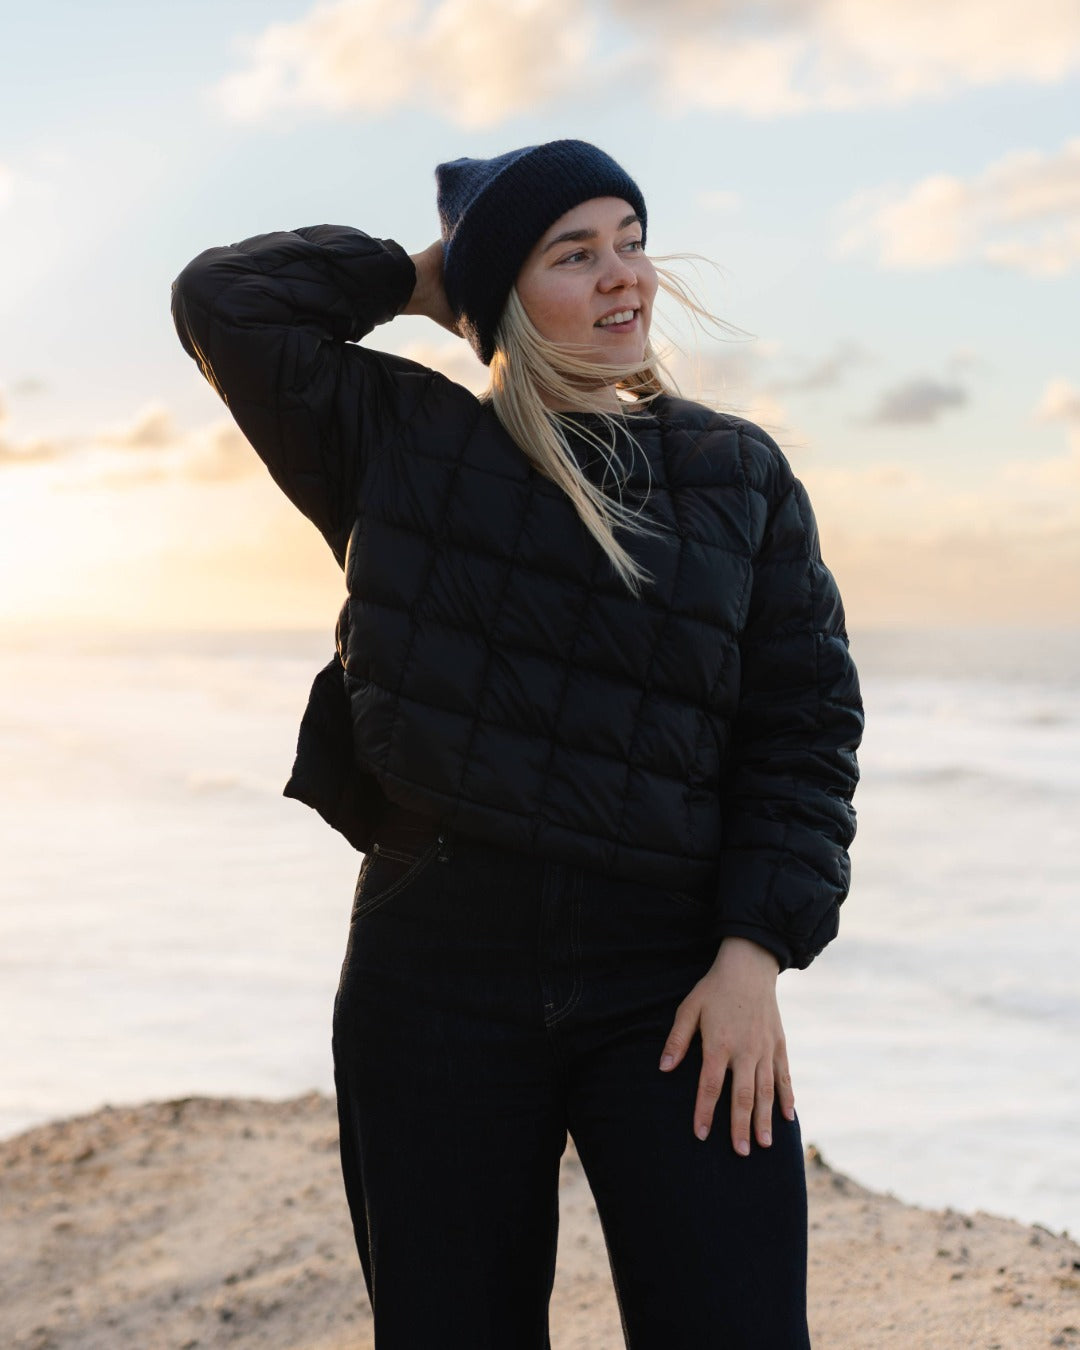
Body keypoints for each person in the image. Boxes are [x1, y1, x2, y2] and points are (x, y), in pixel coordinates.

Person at [171, 138, 863, 1349]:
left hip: (675, 976)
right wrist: (427, 276)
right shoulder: (396, 442)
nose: (624, 279)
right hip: (435, 970)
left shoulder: (736, 475)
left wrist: (756, 955)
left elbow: (803, 732)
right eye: (575, 253)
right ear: (502, 292)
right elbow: (223, 302)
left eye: (634, 243)